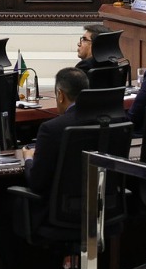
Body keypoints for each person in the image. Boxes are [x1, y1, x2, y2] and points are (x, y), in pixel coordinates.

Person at [23, 66, 123, 198]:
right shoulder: (116, 122)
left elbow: (37, 183)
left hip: (63, 207)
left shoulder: (51, 128)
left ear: (60, 95)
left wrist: (28, 158)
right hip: (110, 203)